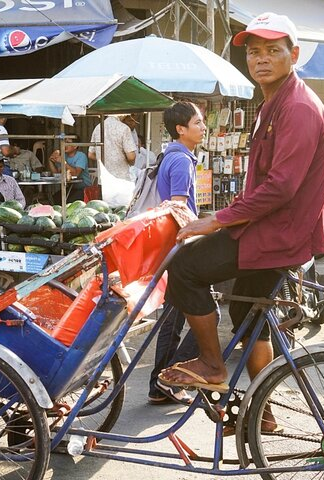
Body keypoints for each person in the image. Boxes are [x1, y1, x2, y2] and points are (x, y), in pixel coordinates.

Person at [157, 12, 324, 435]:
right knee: (249, 318)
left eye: (273, 50)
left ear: (294, 54)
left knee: (184, 267)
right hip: (274, 230)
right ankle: (263, 412)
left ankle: (212, 364)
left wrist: (216, 220)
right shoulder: (275, 101)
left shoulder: (299, 107)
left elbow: (280, 188)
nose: (262, 60)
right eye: (254, 52)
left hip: (278, 233)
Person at [147, 101, 207, 405]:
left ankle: (159, 385)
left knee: (173, 318)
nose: (203, 127)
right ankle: (172, 375)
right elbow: (179, 208)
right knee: (207, 315)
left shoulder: (171, 156)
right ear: (180, 129)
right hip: (182, 247)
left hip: (173, 246)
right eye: (197, 122)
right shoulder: (182, 160)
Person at [88, 115, 137, 181]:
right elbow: (131, 157)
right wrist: (131, 163)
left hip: (104, 178)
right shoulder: (124, 128)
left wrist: (106, 160)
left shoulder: (98, 128)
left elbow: (90, 155)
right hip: (121, 177)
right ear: (124, 114)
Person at [47, 135, 91, 202]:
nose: (65, 145)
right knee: (54, 199)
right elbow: (56, 173)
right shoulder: (64, 156)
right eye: (64, 142)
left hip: (84, 188)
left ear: (75, 146)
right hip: (72, 187)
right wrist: (50, 160)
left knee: (68, 202)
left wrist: (63, 162)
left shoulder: (81, 156)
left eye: (68, 143)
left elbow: (76, 174)